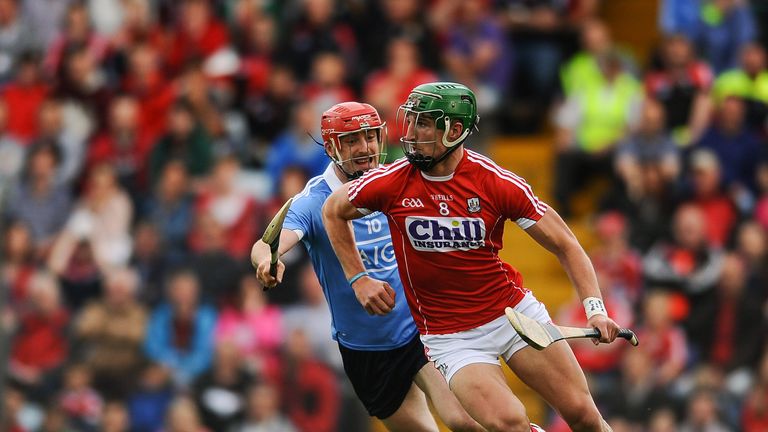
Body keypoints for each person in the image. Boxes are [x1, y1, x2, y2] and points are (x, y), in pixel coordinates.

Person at [322, 82, 622, 432]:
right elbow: (333, 211)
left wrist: (595, 309)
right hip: (451, 337)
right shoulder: (391, 180)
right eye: (412, 120)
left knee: (585, 417)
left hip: (512, 315)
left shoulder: (494, 182)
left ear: (455, 131)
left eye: (424, 123)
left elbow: (566, 244)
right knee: (509, 423)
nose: (411, 133)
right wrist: (359, 279)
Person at [251, 101, 481, 432]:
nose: (365, 148)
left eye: (370, 137)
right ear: (331, 147)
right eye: (352, 141)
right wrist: (266, 263)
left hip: (419, 327)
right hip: (366, 351)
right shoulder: (314, 200)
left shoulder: (397, 180)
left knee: (464, 420)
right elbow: (265, 245)